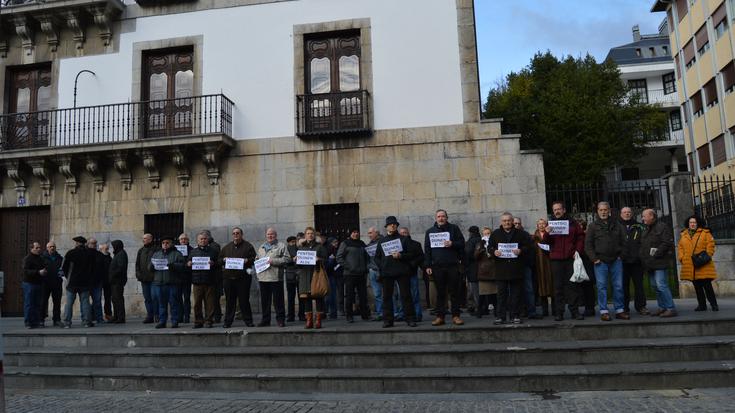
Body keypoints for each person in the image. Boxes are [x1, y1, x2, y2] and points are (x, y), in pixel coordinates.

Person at [541, 201, 585, 321]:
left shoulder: (573, 223)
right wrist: (547, 233)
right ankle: (559, 312)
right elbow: (546, 242)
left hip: (570, 259)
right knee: (558, 287)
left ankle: (574, 311)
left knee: (572, 286)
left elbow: (580, 237)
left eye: (559, 209)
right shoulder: (551, 225)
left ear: (564, 210)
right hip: (556, 260)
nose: (557, 211)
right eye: (555, 210)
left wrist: (577, 251)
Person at [585, 202, 627, 321]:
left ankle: (619, 310)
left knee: (618, 286)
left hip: (616, 260)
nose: (603, 212)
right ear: (597, 211)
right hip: (600, 261)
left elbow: (625, 242)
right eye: (601, 210)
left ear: (609, 211)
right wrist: (594, 258)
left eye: (605, 210)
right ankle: (604, 311)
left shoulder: (617, 225)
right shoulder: (593, 226)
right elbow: (588, 245)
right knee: (601, 287)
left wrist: (621, 256)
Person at [424, 209, 466, 326]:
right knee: (440, 293)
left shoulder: (454, 228)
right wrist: (427, 265)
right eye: (439, 216)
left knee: (454, 292)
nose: (441, 218)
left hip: (452, 265)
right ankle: (440, 316)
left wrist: (452, 243)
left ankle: (456, 316)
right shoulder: (430, 232)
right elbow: (427, 249)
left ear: (447, 217)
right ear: (436, 218)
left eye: (443, 216)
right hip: (437, 266)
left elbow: (462, 243)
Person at [374, 216, 418, 328]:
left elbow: (412, 254)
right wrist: (382, 266)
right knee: (387, 297)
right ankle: (388, 320)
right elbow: (377, 258)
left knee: (406, 295)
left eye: (394, 224)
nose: (393, 226)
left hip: (402, 271)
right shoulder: (382, 241)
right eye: (390, 224)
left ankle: (410, 318)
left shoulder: (404, 239)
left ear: (397, 226)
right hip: (387, 272)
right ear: (386, 227)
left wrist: (401, 256)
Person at [490, 213, 533, 324]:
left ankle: (515, 316)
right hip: (501, 268)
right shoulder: (495, 234)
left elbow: (528, 246)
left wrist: (521, 250)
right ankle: (501, 316)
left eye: (509, 220)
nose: (507, 223)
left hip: (516, 268)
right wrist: (494, 251)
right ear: (501, 222)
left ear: (512, 221)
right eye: (504, 221)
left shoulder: (521, 234)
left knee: (516, 294)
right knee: (501, 295)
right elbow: (490, 247)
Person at [640, 209, 677, 317]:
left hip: (659, 262)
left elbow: (666, 243)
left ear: (652, 216)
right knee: (654, 286)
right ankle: (662, 307)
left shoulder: (662, 227)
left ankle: (671, 308)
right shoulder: (646, 228)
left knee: (661, 285)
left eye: (644, 216)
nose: (642, 218)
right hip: (650, 263)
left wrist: (655, 254)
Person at [678, 215, 718, 311]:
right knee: (697, 287)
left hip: (703, 264)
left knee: (707, 286)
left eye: (694, 222)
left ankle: (714, 304)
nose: (692, 224)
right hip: (691, 265)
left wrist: (708, 255)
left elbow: (711, 245)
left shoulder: (705, 233)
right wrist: (682, 258)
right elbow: (680, 247)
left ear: (698, 223)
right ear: (688, 223)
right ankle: (702, 305)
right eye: (691, 222)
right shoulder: (684, 234)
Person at [219, 227, 256, 328]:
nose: (235, 235)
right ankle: (227, 322)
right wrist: (223, 260)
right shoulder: (226, 248)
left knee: (244, 301)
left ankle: (248, 321)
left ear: (241, 234)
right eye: (234, 233)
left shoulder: (248, 246)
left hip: (243, 279)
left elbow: (254, 259)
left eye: (238, 233)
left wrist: (247, 261)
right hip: (228, 279)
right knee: (230, 302)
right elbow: (219, 260)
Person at [150, 235, 186, 328]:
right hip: (159, 283)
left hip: (172, 283)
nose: (165, 244)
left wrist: (172, 265)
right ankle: (162, 321)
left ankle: (175, 320)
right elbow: (149, 266)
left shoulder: (177, 254)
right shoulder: (157, 254)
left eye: (167, 243)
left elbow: (182, 266)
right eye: (163, 243)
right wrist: (152, 266)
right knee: (162, 304)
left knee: (174, 303)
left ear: (171, 243)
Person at [297, 227, 329, 329]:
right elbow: (298, 264)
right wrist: (296, 259)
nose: (310, 235)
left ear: (314, 235)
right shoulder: (301, 247)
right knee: (307, 298)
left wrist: (319, 259)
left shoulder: (319, 247)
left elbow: (326, 260)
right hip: (305, 275)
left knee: (318, 296)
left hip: (316, 274)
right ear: (305, 235)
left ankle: (318, 320)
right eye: (308, 233)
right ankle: (309, 320)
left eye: (312, 233)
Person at [256, 228, 289, 327]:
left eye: (272, 234)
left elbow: (287, 259)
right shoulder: (261, 247)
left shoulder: (281, 246)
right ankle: (266, 320)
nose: (270, 236)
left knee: (278, 301)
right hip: (263, 278)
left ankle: (280, 320)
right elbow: (257, 259)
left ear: (276, 235)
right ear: (266, 236)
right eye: (268, 234)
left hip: (275, 277)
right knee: (265, 301)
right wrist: (257, 261)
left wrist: (273, 261)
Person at [336, 228, 370, 323]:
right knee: (350, 296)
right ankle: (349, 316)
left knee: (363, 295)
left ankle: (365, 315)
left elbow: (367, 256)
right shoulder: (345, 243)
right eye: (354, 232)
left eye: (357, 232)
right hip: (350, 274)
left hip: (361, 273)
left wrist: (366, 267)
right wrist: (348, 267)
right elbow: (339, 257)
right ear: (350, 233)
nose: (356, 234)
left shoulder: (362, 244)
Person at [620, 207, 648, 315]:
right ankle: (624, 308)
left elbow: (644, 242)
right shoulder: (617, 226)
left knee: (639, 285)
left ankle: (641, 306)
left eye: (629, 212)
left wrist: (640, 255)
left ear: (632, 214)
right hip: (622, 262)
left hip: (637, 261)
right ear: (621, 214)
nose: (627, 214)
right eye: (625, 212)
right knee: (623, 286)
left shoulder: (639, 226)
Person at [189, 231, 220, 328]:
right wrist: (188, 263)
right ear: (198, 241)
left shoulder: (213, 251)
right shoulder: (193, 252)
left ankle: (208, 321)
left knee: (210, 303)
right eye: (201, 239)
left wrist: (213, 263)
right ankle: (198, 321)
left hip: (209, 280)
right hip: (197, 281)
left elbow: (219, 262)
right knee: (197, 303)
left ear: (208, 240)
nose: (203, 240)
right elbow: (188, 262)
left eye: (204, 239)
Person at [62, 236, 94, 328]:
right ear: (84, 243)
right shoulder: (89, 254)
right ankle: (86, 322)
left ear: (76, 243)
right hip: (85, 282)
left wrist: (68, 277)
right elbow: (92, 268)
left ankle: (67, 322)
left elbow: (64, 267)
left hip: (72, 282)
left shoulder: (70, 253)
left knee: (69, 303)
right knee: (85, 302)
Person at [514, 217, 541, 319]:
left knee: (529, 289)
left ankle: (531, 311)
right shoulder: (509, 235)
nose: (516, 225)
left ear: (521, 224)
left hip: (525, 265)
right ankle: (519, 311)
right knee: (516, 290)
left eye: (518, 223)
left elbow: (531, 249)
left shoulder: (526, 235)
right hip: (513, 267)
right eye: (515, 223)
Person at [399, 227, 425, 322]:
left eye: (405, 232)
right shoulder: (396, 245)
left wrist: (412, 263)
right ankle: (403, 314)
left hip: (411, 272)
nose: (403, 234)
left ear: (408, 233)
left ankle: (417, 314)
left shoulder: (415, 244)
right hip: (400, 274)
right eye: (401, 233)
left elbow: (421, 256)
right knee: (402, 295)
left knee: (414, 295)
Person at [22, 242, 46, 329]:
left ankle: (35, 321)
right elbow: (26, 271)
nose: (39, 249)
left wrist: (44, 271)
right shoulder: (27, 259)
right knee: (29, 303)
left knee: (37, 303)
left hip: (38, 283)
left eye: (39, 248)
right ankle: (28, 322)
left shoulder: (40, 258)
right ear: (32, 249)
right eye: (37, 248)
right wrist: (38, 272)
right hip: (29, 283)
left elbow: (43, 267)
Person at [532, 219, 554, 317]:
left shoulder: (551, 235)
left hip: (550, 264)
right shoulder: (533, 238)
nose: (541, 225)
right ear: (537, 226)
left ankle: (555, 309)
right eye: (539, 224)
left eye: (543, 223)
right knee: (541, 287)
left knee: (552, 285)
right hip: (539, 265)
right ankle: (544, 310)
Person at [475, 228, 497, 318]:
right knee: (482, 293)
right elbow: (475, 256)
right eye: (485, 234)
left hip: (493, 270)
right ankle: (480, 311)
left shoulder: (494, 243)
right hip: (483, 271)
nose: (486, 235)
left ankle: (496, 311)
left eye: (488, 233)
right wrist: (482, 248)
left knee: (494, 293)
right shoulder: (479, 244)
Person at [135, 233, 157, 324]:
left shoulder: (156, 249)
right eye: (143, 238)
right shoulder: (141, 250)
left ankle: (157, 315)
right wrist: (138, 274)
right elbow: (137, 264)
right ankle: (150, 316)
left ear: (151, 239)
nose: (143, 240)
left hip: (153, 278)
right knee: (147, 298)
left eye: (145, 238)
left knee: (155, 298)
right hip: (144, 279)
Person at [41, 241, 63, 327]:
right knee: (43, 301)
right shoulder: (42, 257)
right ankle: (41, 319)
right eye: (50, 247)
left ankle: (56, 320)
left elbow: (63, 268)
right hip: (45, 283)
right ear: (47, 248)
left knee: (57, 302)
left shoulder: (59, 258)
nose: (52, 248)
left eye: (53, 246)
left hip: (57, 283)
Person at [89, 239, 111, 325]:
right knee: (88, 301)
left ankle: (99, 318)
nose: (94, 245)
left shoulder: (101, 256)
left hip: (98, 280)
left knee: (97, 300)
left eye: (95, 243)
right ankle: (90, 317)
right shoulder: (88, 254)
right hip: (89, 281)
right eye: (92, 243)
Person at [204, 230, 223, 324]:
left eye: (204, 238)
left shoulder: (214, 246)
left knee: (215, 298)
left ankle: (217, 316)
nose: (203, 240)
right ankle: (210, 316)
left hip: (215, 276)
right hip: (207, 276)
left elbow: (217, 260)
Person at [284, 236, 305, 322]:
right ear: (288, 243)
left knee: (302, 296)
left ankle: (301, 314)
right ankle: (290, 315)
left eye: (294, 242)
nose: (293, 243)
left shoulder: (300, 249)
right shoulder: (286, 250)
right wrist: (293, 259)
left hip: (299, 275)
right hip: (290, 276)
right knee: (290, 297)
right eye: (292, 242)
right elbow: (284, 262)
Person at [464, 226, 482, 318]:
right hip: (475, 268)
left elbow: (468, 253)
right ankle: (475, 307)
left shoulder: (471, 241)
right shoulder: (479, 240)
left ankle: (477, 308)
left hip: (472, 268)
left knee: (474, 290)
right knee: (474, 289)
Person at [108, 240, 128, 323]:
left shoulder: (121, 254)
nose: (113, 248)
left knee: (118, 299)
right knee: (115, 299)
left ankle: (120, 317)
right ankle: (116, 316)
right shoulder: (118, 254)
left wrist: (113, 274)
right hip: (114, 281)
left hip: (118, 281)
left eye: (114, 246)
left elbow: (121, 268)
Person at [366, 227, 383, 321]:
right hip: (373, 271)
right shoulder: (369, 245)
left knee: (389, 293)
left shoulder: (383, 242)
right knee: (377, 294)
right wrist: (369, 267)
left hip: (383, 270)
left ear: (376, 233)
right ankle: (380, 313)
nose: (369, 235)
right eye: (368, 233)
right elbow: (367, 259)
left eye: (371, 233)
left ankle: (393, 312)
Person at [177, 233, 193, 323]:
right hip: (177, 278)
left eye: (185, 239)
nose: (183, 240)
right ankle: (180, 316)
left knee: (186, 298)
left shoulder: (191, 250)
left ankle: (187, 316)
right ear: (179, 241)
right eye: (181, 239)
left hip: (187, 277)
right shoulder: (175, 250)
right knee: (178, 298)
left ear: (188, 240)